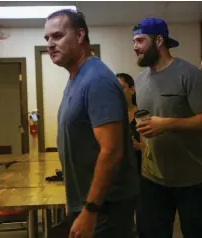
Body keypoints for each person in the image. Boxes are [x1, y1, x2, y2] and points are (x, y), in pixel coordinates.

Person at [44, 9, 139, 238]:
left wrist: (90, 210)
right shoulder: (76, 77)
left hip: (106, 207)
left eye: (57, 36)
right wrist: (75, 200)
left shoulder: (97, 80)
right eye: (47, 38)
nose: (50, 44)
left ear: (79, 36)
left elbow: (112, 151)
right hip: (88, 202)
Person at [132, 17, 202, 238]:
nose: (135, 47)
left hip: (192, 179)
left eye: (140, 40)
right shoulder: (140, 80)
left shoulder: (190, 75)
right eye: (134, 42)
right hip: (152, 178)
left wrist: (168, 124)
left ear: (159, 40)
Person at [116, 73, 145, 174]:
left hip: (140, 169)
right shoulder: (113, 116)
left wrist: (140, 146)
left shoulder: (142, 114)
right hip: (119, 171)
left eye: (121, 88)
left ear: (132, 90)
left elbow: (152, 148)